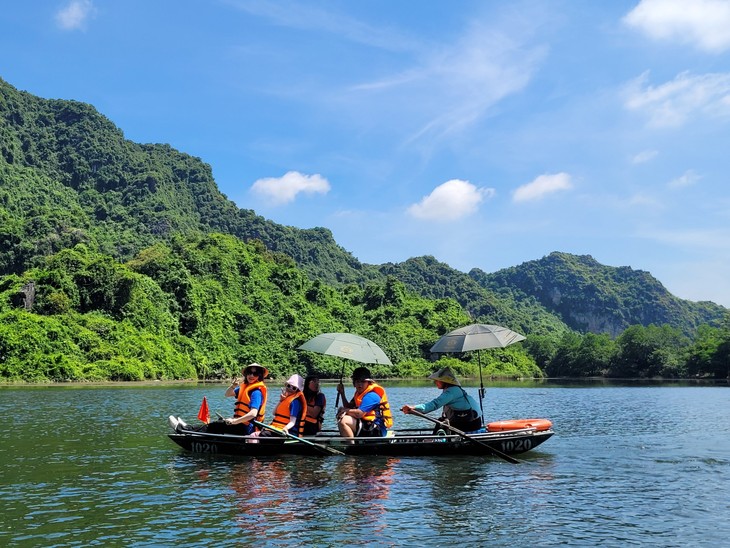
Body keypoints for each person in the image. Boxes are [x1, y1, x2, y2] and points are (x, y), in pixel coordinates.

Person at [168, 362, 269, 435]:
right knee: (216, 425)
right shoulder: (244, 387)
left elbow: (253, 414)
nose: (251, 376)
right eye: (249, 373)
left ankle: (183, 428)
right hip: (241, 424)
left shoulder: (256, 392)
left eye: (255, 374)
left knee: (216, 425)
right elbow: (228, 394)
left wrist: (234, 421)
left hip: (247, 428)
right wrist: (233, 386)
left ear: (259, 376)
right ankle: (188, 428)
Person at [401, 366, 482, 433]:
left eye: (438, 381)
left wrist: (413, 407)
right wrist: (412, 411)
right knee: (442, 421)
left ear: (445, 382)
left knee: (441, 424)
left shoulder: (451, 392)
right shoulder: (452, 390)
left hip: (471, 423)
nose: (436, 382)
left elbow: (434, 405)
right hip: (467, 420)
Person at [336, 366, 393, 440]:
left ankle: (351, 447)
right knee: (343, 417)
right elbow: (349, 406)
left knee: (344, 421)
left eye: (363, 381)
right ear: (354, 383)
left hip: (376, 430)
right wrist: (342, 393)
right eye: (357, 381)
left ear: (369, 382)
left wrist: (344, 410)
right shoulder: (359, 394)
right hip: (366, 425)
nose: (360, 384)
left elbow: (359, 413)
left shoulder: (371, 395)